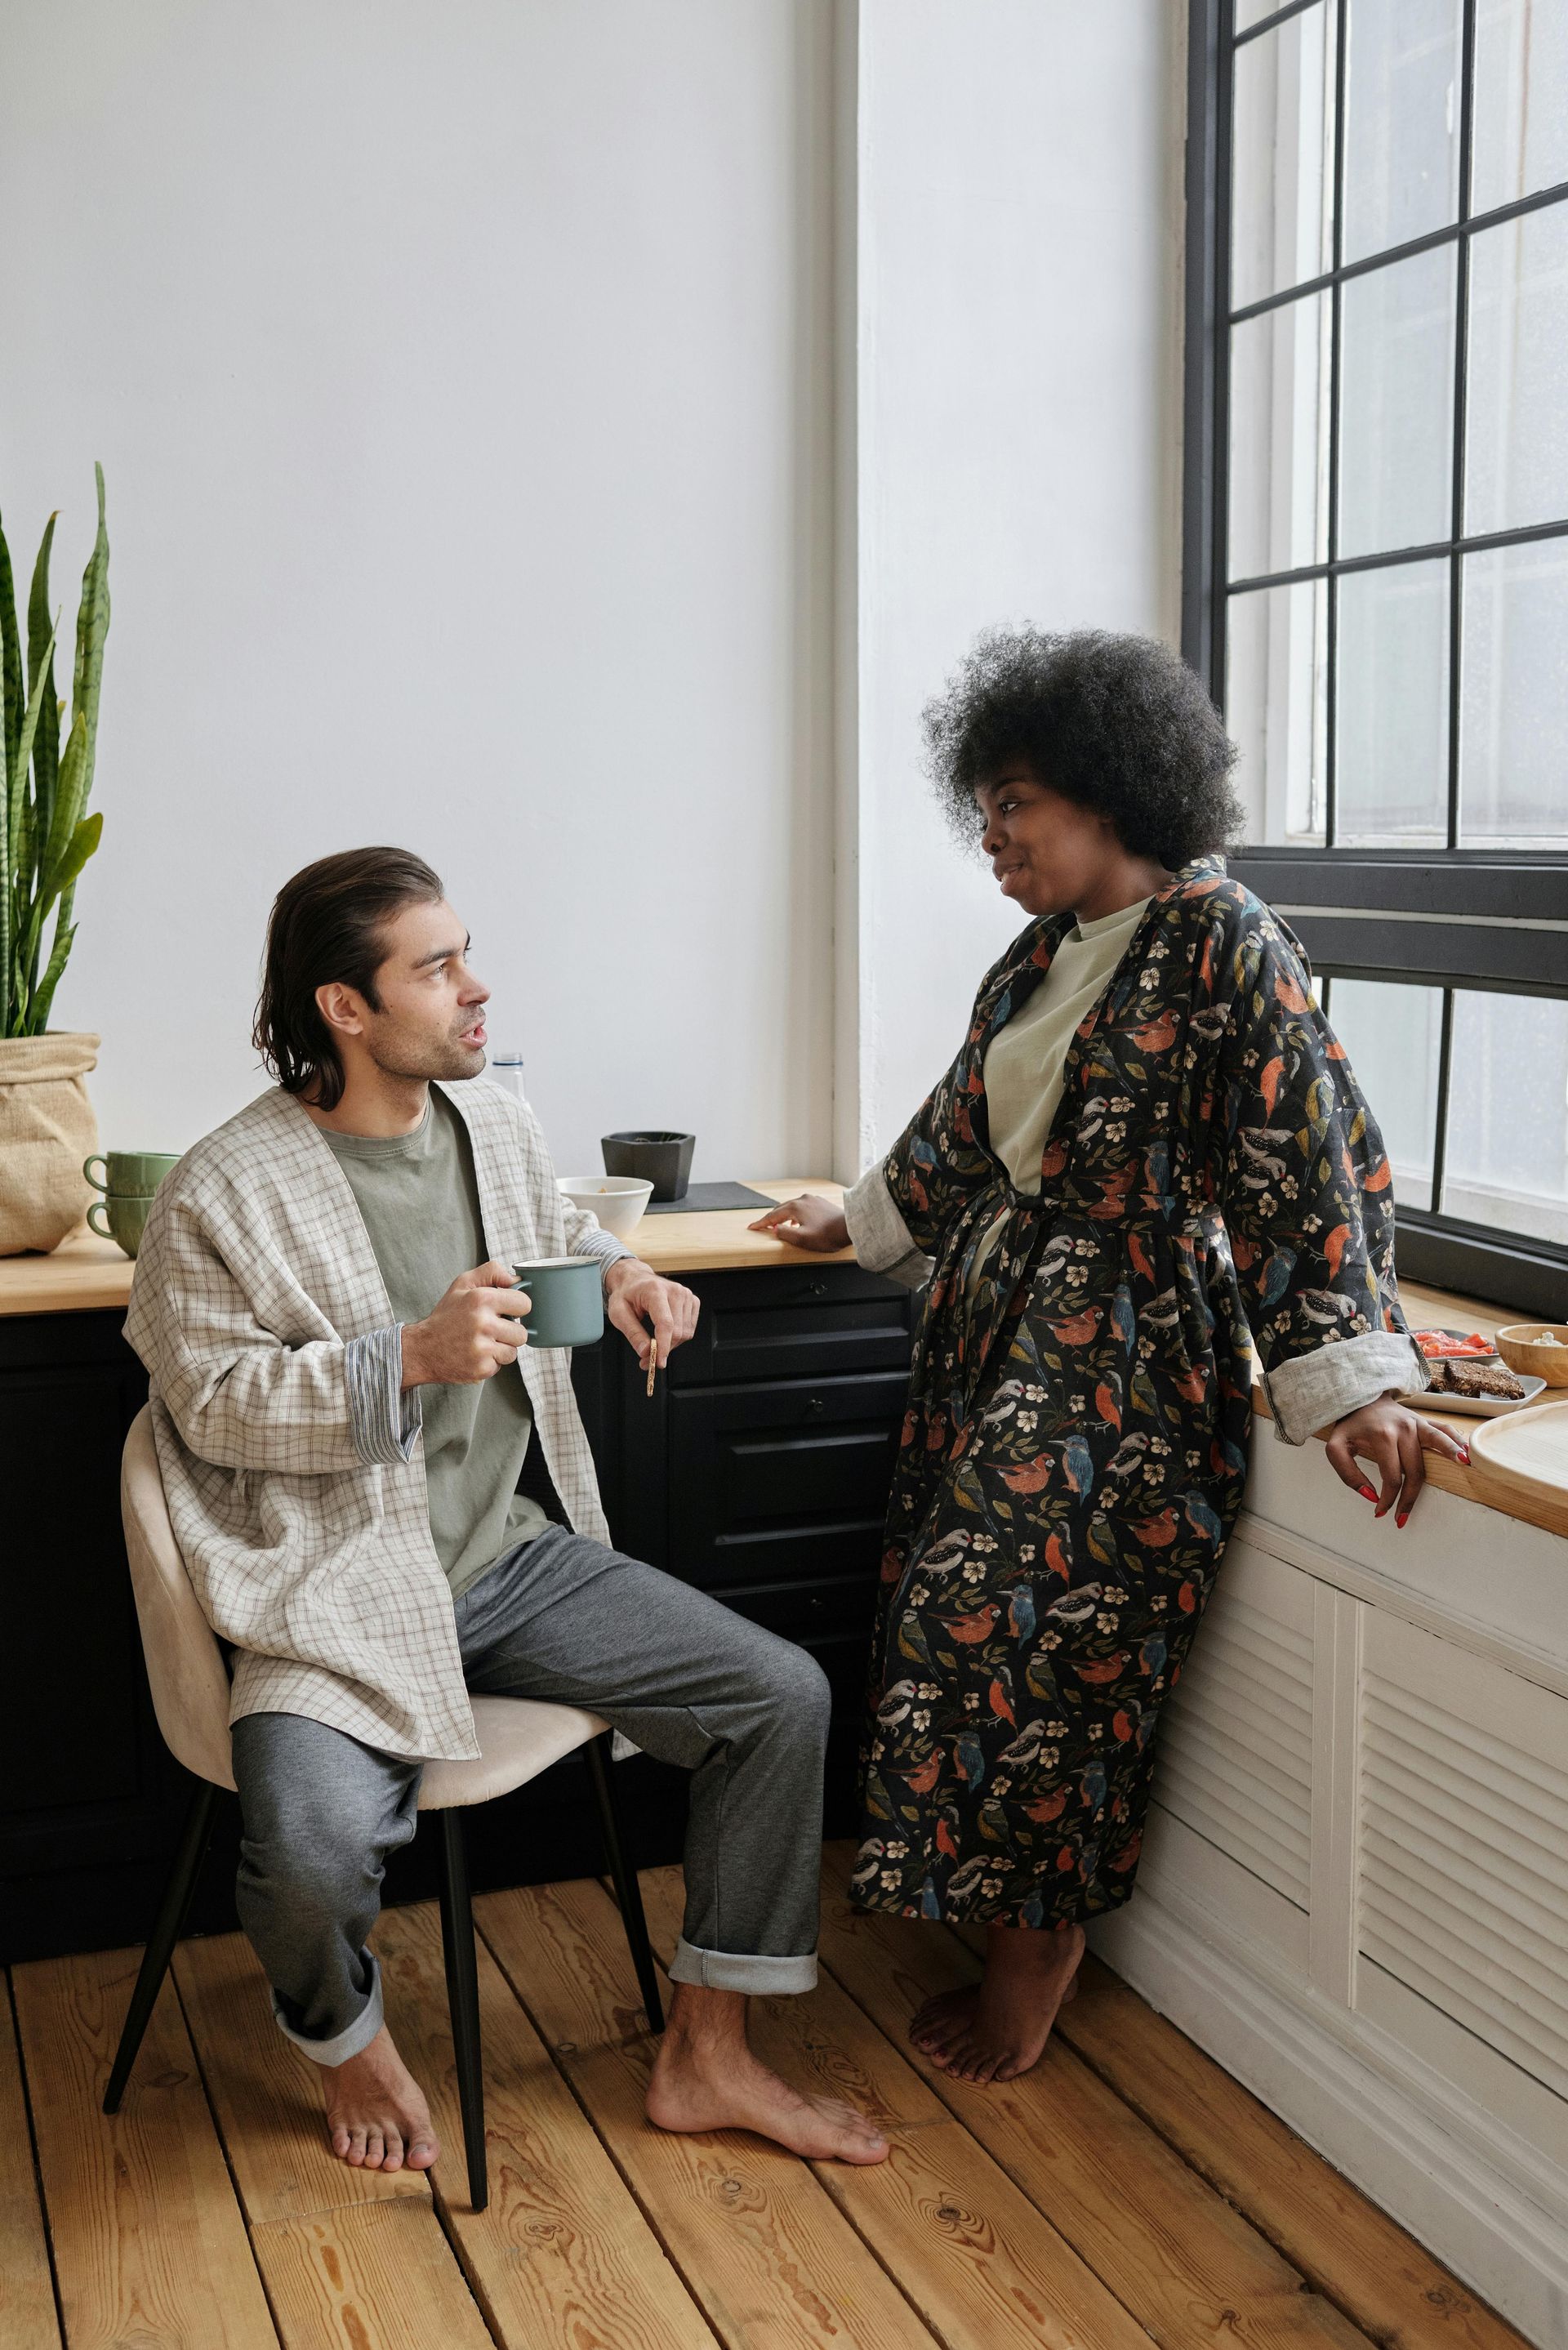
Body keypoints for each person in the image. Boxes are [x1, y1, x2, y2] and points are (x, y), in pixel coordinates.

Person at [753, 627, 1467, 2087]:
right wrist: (861, 1212)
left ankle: (1040, 1950)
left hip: (1129, 1350)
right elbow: (965, 1127)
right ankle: (993, 1919)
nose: (996, 834)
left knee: (1034, 1642)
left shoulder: (1224, 937)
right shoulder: (1040, 952)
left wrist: (1349, 1374)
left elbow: (1301, 1155)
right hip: (994, 1326)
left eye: (1020, 800)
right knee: (945, 1633)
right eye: (988, 805)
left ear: (1110, 787)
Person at [127, 845, 888, 2174]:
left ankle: (709, 2055)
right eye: (437, 966)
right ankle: (350, 2043)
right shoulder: (222, 1187)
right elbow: (209, 1404)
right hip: (333, 1589)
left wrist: (632, 1267)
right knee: (306, 1848)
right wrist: (408, 1357)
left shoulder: (497, 1125)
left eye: (465, 952)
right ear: (344, 1008)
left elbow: (553, 1237)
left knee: (781, 1697)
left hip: (507, 1565)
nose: (478, 988)